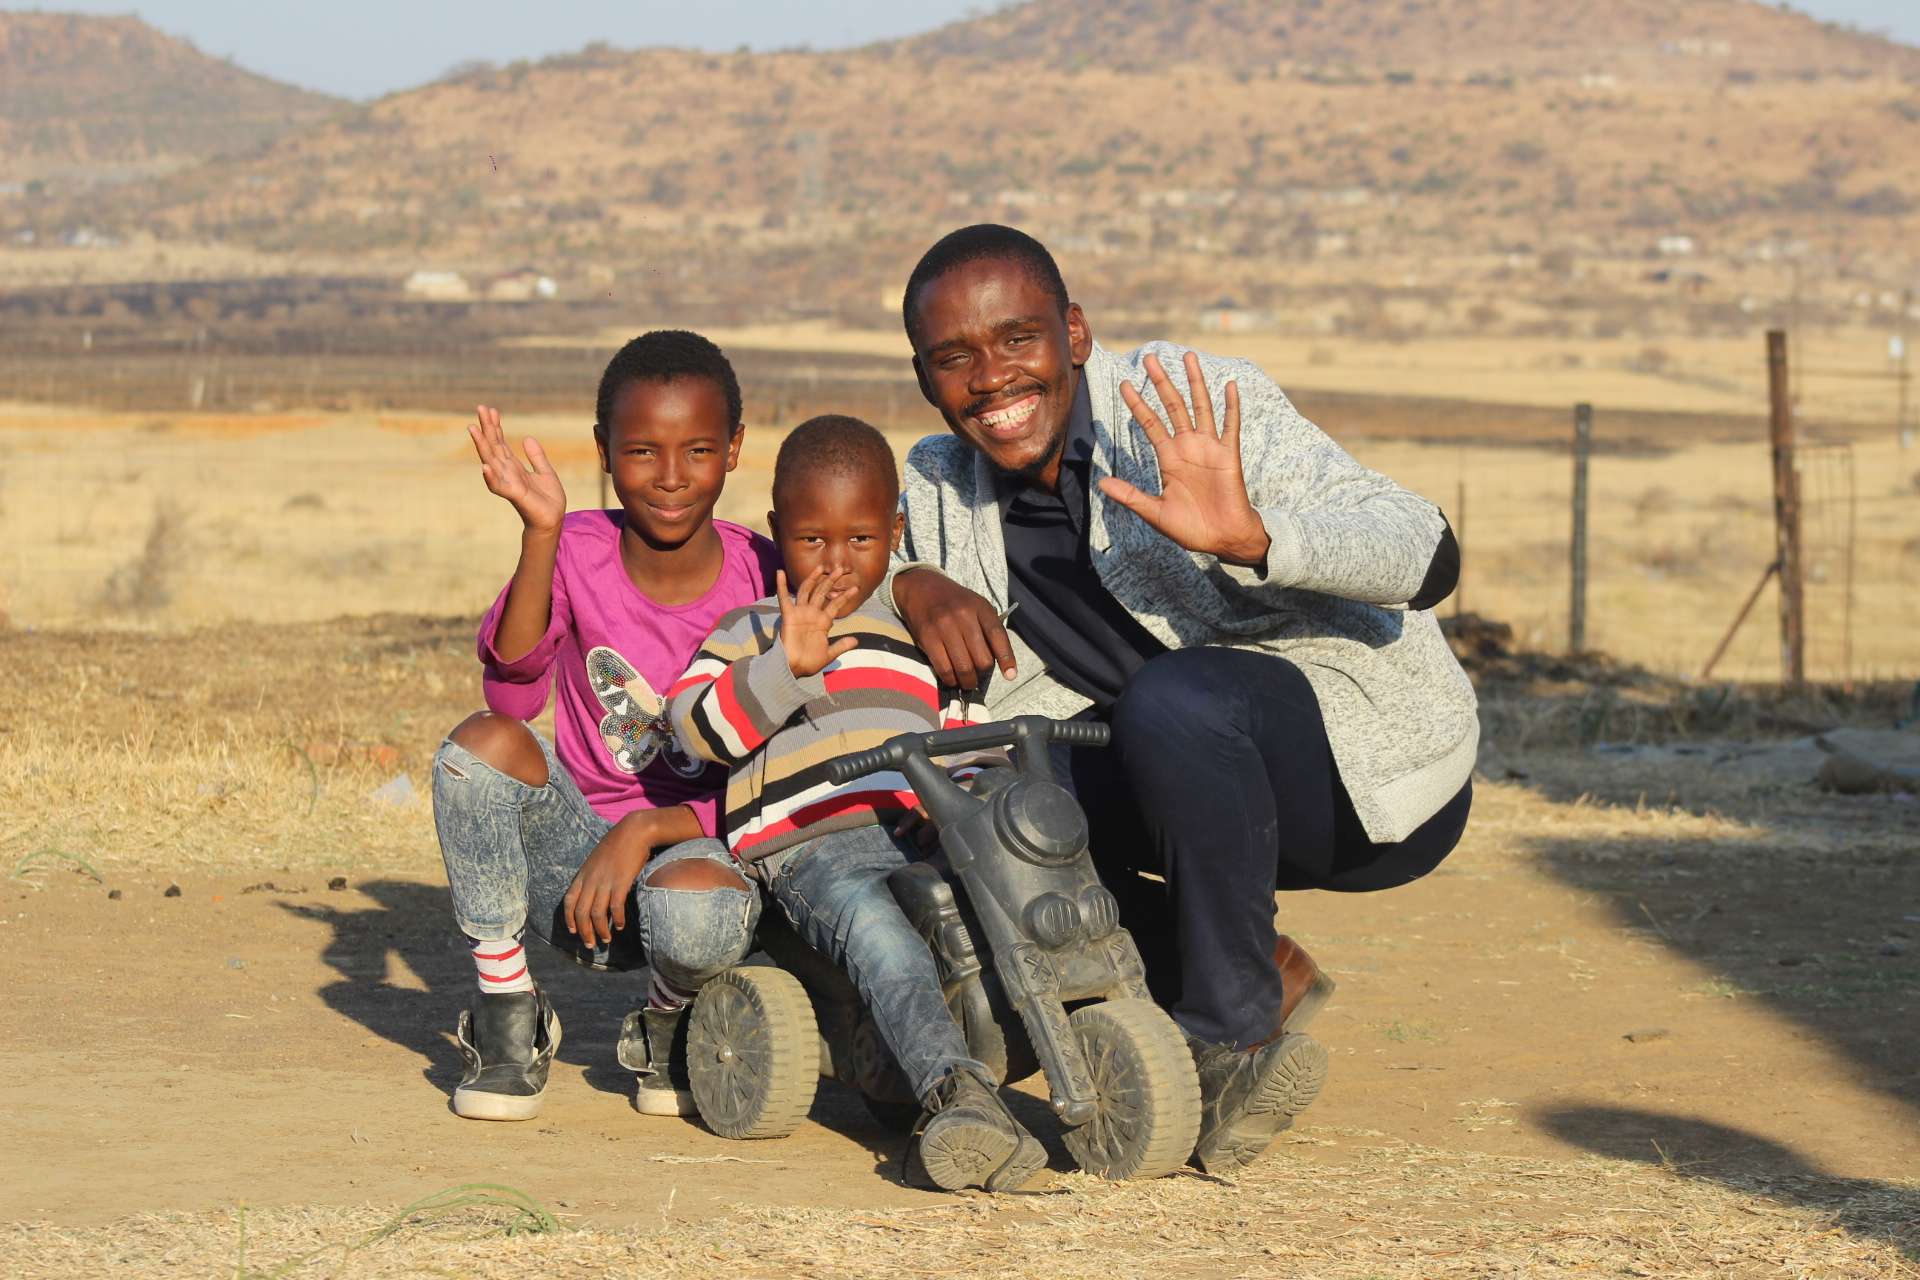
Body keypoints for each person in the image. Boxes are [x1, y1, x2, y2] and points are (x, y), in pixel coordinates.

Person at [880, 224, 1477, 1174]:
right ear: (924, 378)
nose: (991, 378)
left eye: (1018, 339)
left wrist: (1258, 536)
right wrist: (911, 580)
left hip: (1363, 777)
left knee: (1175, 698)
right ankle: (1244, 970)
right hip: (1183, 789)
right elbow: (820, 564)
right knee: (978, 806)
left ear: (1075, 332)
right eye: (955, 357)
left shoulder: (1185, 398)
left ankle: (1227, 1039)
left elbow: (1427, 548)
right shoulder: (936, 485)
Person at [666, 415, 1047, 1193]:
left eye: (862, 541)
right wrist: (782, 669)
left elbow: (963, 733)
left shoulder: (912, 632)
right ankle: (956, 1095)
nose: (837, 565)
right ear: (778, 532)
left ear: (896, 529)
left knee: (1016, 909)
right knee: (883, 935)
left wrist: (961, 796)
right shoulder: (753, 628)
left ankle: (1074, 1059)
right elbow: (691, 731)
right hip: (806, 846)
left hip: (914, 834)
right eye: (812, 541)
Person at [432, 330, 780, 1122]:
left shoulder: (766, 574)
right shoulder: (577, 547)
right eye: (641, 452)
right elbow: (513, 701)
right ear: (603, 449)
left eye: (696, 450)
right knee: (475, 749)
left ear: (734, 450)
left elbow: (780, 778)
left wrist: (647, 831)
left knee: (694, 904)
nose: (669, 478)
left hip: (701, 855)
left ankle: (668, 1022)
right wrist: (541, 535)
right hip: (575, 867)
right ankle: (508, 1013)